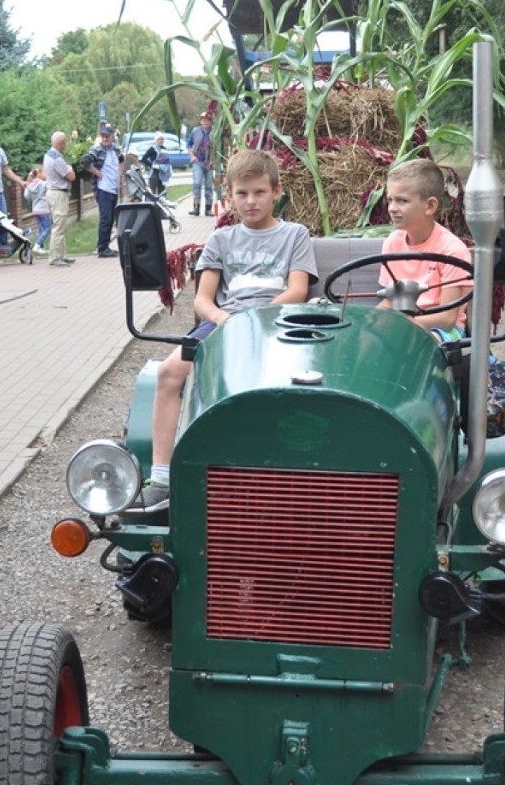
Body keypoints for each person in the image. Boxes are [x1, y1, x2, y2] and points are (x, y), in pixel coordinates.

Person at [132, 149, 317, 513]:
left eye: (259, 192)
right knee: (169, 371)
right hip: (228, 321)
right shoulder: (222, 241)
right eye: (242, 193)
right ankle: (162, 477)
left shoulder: (295, 235)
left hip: (279, 320)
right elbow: (202, 300)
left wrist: (257, 319)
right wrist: (224, 321)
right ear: (229, 195)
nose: (251, 201)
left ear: (276, 191)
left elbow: (297, 290)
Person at [378, 160, 473, 338]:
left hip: (443, 331)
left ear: (430, 206)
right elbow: (389, 301)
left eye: (402, 201)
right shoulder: (392, 243)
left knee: (418, 345)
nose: (392, 208)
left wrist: (403, 324)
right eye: (390, 200)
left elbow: (447, 318)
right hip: (402, 325)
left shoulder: (452, 251)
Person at [79, 124, 124, 257]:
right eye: (103, 136)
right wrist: (96, 172)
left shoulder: (116, 149)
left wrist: (120, 173)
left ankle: (106, 246)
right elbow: (85, 161)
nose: (105, 139)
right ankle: (102, 248)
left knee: (111, 219)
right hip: (103, 188)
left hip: (113, 187)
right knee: (105, 218)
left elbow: (122, 160)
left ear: (112, 137)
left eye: (107, 136)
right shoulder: (97, 149)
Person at [43, 132, 76, 268]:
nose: (66, 145)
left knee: (61, 225)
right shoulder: (57, 159)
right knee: (59, 226)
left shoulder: (48, 155)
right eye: (65, 142)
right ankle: (55, 257)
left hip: (52, 192)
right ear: (61, 143)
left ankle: (62, 254)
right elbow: (71, 176)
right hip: (58, 194)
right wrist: (70, 168)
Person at [186, 111, 213, 216]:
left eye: (208, 120)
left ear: (210, 122)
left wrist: (214, 161)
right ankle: (196, 208)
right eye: (204, 120)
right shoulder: (195, 131)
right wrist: (192, 156)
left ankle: (208, 209)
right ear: (201, 121)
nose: (206, 122)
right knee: (197, 183)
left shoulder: (214, 132)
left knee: (208, 185)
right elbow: (188, 145)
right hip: (198, 161)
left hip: (209, 162)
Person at [24, 166, 52, 253]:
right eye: (43, 172)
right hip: (44, 209)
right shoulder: (43, 184)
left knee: (41, 228)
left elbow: (26, 196)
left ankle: (40, 248)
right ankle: (37, 245)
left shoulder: (30, 185)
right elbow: (50, 187)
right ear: (39, 174)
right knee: (47, 229)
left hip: (35, 209)